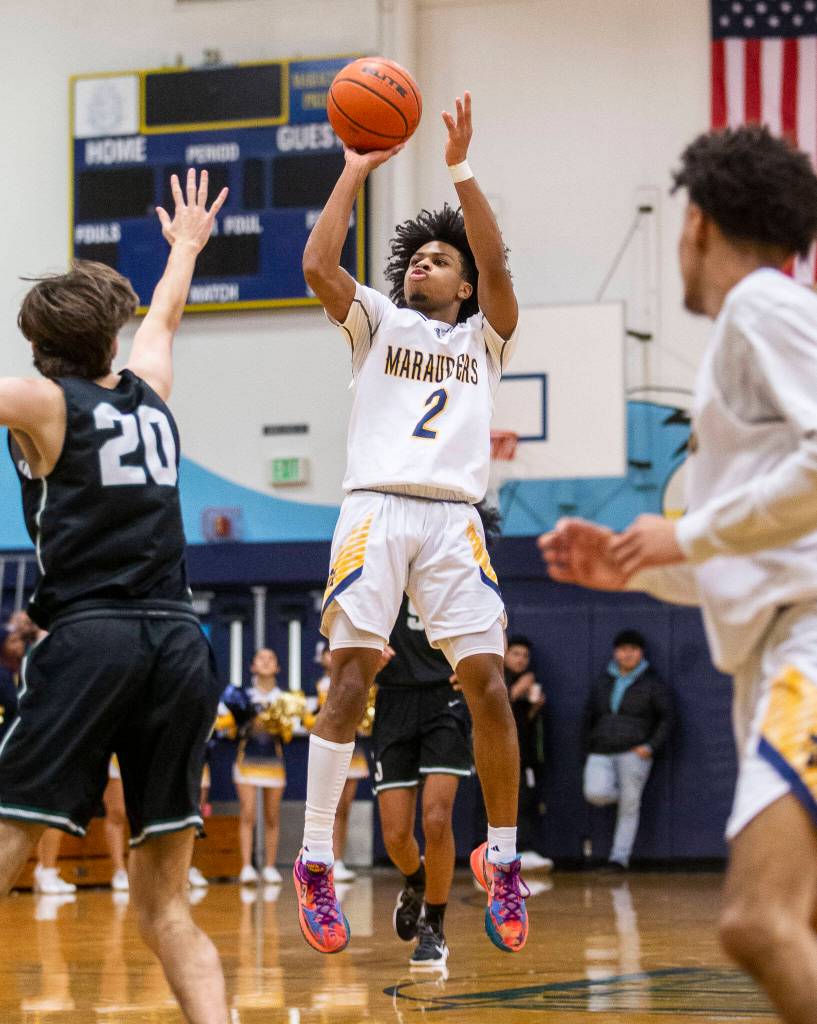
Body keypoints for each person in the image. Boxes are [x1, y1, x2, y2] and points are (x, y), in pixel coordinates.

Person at [539, 125, 817, 1024]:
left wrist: (686, 530)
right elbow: (747, 552)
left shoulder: (760, 307)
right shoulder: (761, 332)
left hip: (809, 643)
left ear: (694, 223)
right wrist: (632, 567)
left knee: (757, 921)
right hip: (777, 637)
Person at [296, 90, 528, 956]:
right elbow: (320, 265)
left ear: (463, 283)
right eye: (415, 259)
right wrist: (353, 171)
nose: (420, 267)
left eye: (438, 261)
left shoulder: (485, 340)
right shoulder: (377, 322)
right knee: (350, 676)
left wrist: (460, 170)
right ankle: (315, 858)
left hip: (453, 521)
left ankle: (501, 860)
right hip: (376, 508)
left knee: (488, 686)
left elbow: (498, 266)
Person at [0, 169, 230, 1024]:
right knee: (164, 902)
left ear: (38, 345)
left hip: (93, 636)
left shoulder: (40, 398)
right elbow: (163, 320)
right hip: (179, 646)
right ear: (109, 337)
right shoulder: (149, 392)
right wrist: (185, 249)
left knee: (13, 830)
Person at [372, 594, 473, 969]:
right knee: (396, 836)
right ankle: (416, 880)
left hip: (446, 698)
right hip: (393, 701)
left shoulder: (455, 554)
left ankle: (434, 926)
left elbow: (493, 615)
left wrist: (483, 658)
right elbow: (342, 623)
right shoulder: (378, 557)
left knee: (436, 818)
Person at [582, 630, 672, 871]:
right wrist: (589, 743)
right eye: (623, 649)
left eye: (633, 649)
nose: (627, 653)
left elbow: (668, 718)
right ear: (615, 652)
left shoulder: (653, 684)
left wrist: (650, 746)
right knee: (596, 793)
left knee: (629, 809)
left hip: (633, 753)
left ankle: (618, 859)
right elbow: (589, 715)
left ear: (641, 653)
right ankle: (629, 800)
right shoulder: (604, 681)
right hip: (601, 750)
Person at [233, 648, 287, 885]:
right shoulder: (241, 697)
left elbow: (288, 734)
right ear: (252, 666)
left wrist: (279, 724)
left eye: (271, 658)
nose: (266, 661)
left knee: (272, 816)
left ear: (278, 668)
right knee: (247, 813)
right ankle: (246, 866)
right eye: (261, 658)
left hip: (273, 762)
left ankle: (270, 866)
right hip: (247, 761)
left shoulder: (284, 699)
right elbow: (230, 729)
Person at [315, 643, 367, 882]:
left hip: (353, 750)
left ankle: (339, 859)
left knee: (344, 808)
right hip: (328, 750)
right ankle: (321, 858)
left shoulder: (359, 683)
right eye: (328, 653)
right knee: (328, 807)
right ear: (323, 658)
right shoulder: (320, 686)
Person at [503, 636, 552, 872]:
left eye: (525, 655)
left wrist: (533, 709)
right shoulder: (496, 677)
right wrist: (514, 691)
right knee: (494, 803)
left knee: (526, 800)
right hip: (498, 753)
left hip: (525, 754)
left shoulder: (530, 682)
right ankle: (491, 853)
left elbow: (523, 723)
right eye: (516, 654)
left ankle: (525, 849)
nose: (521, 659)